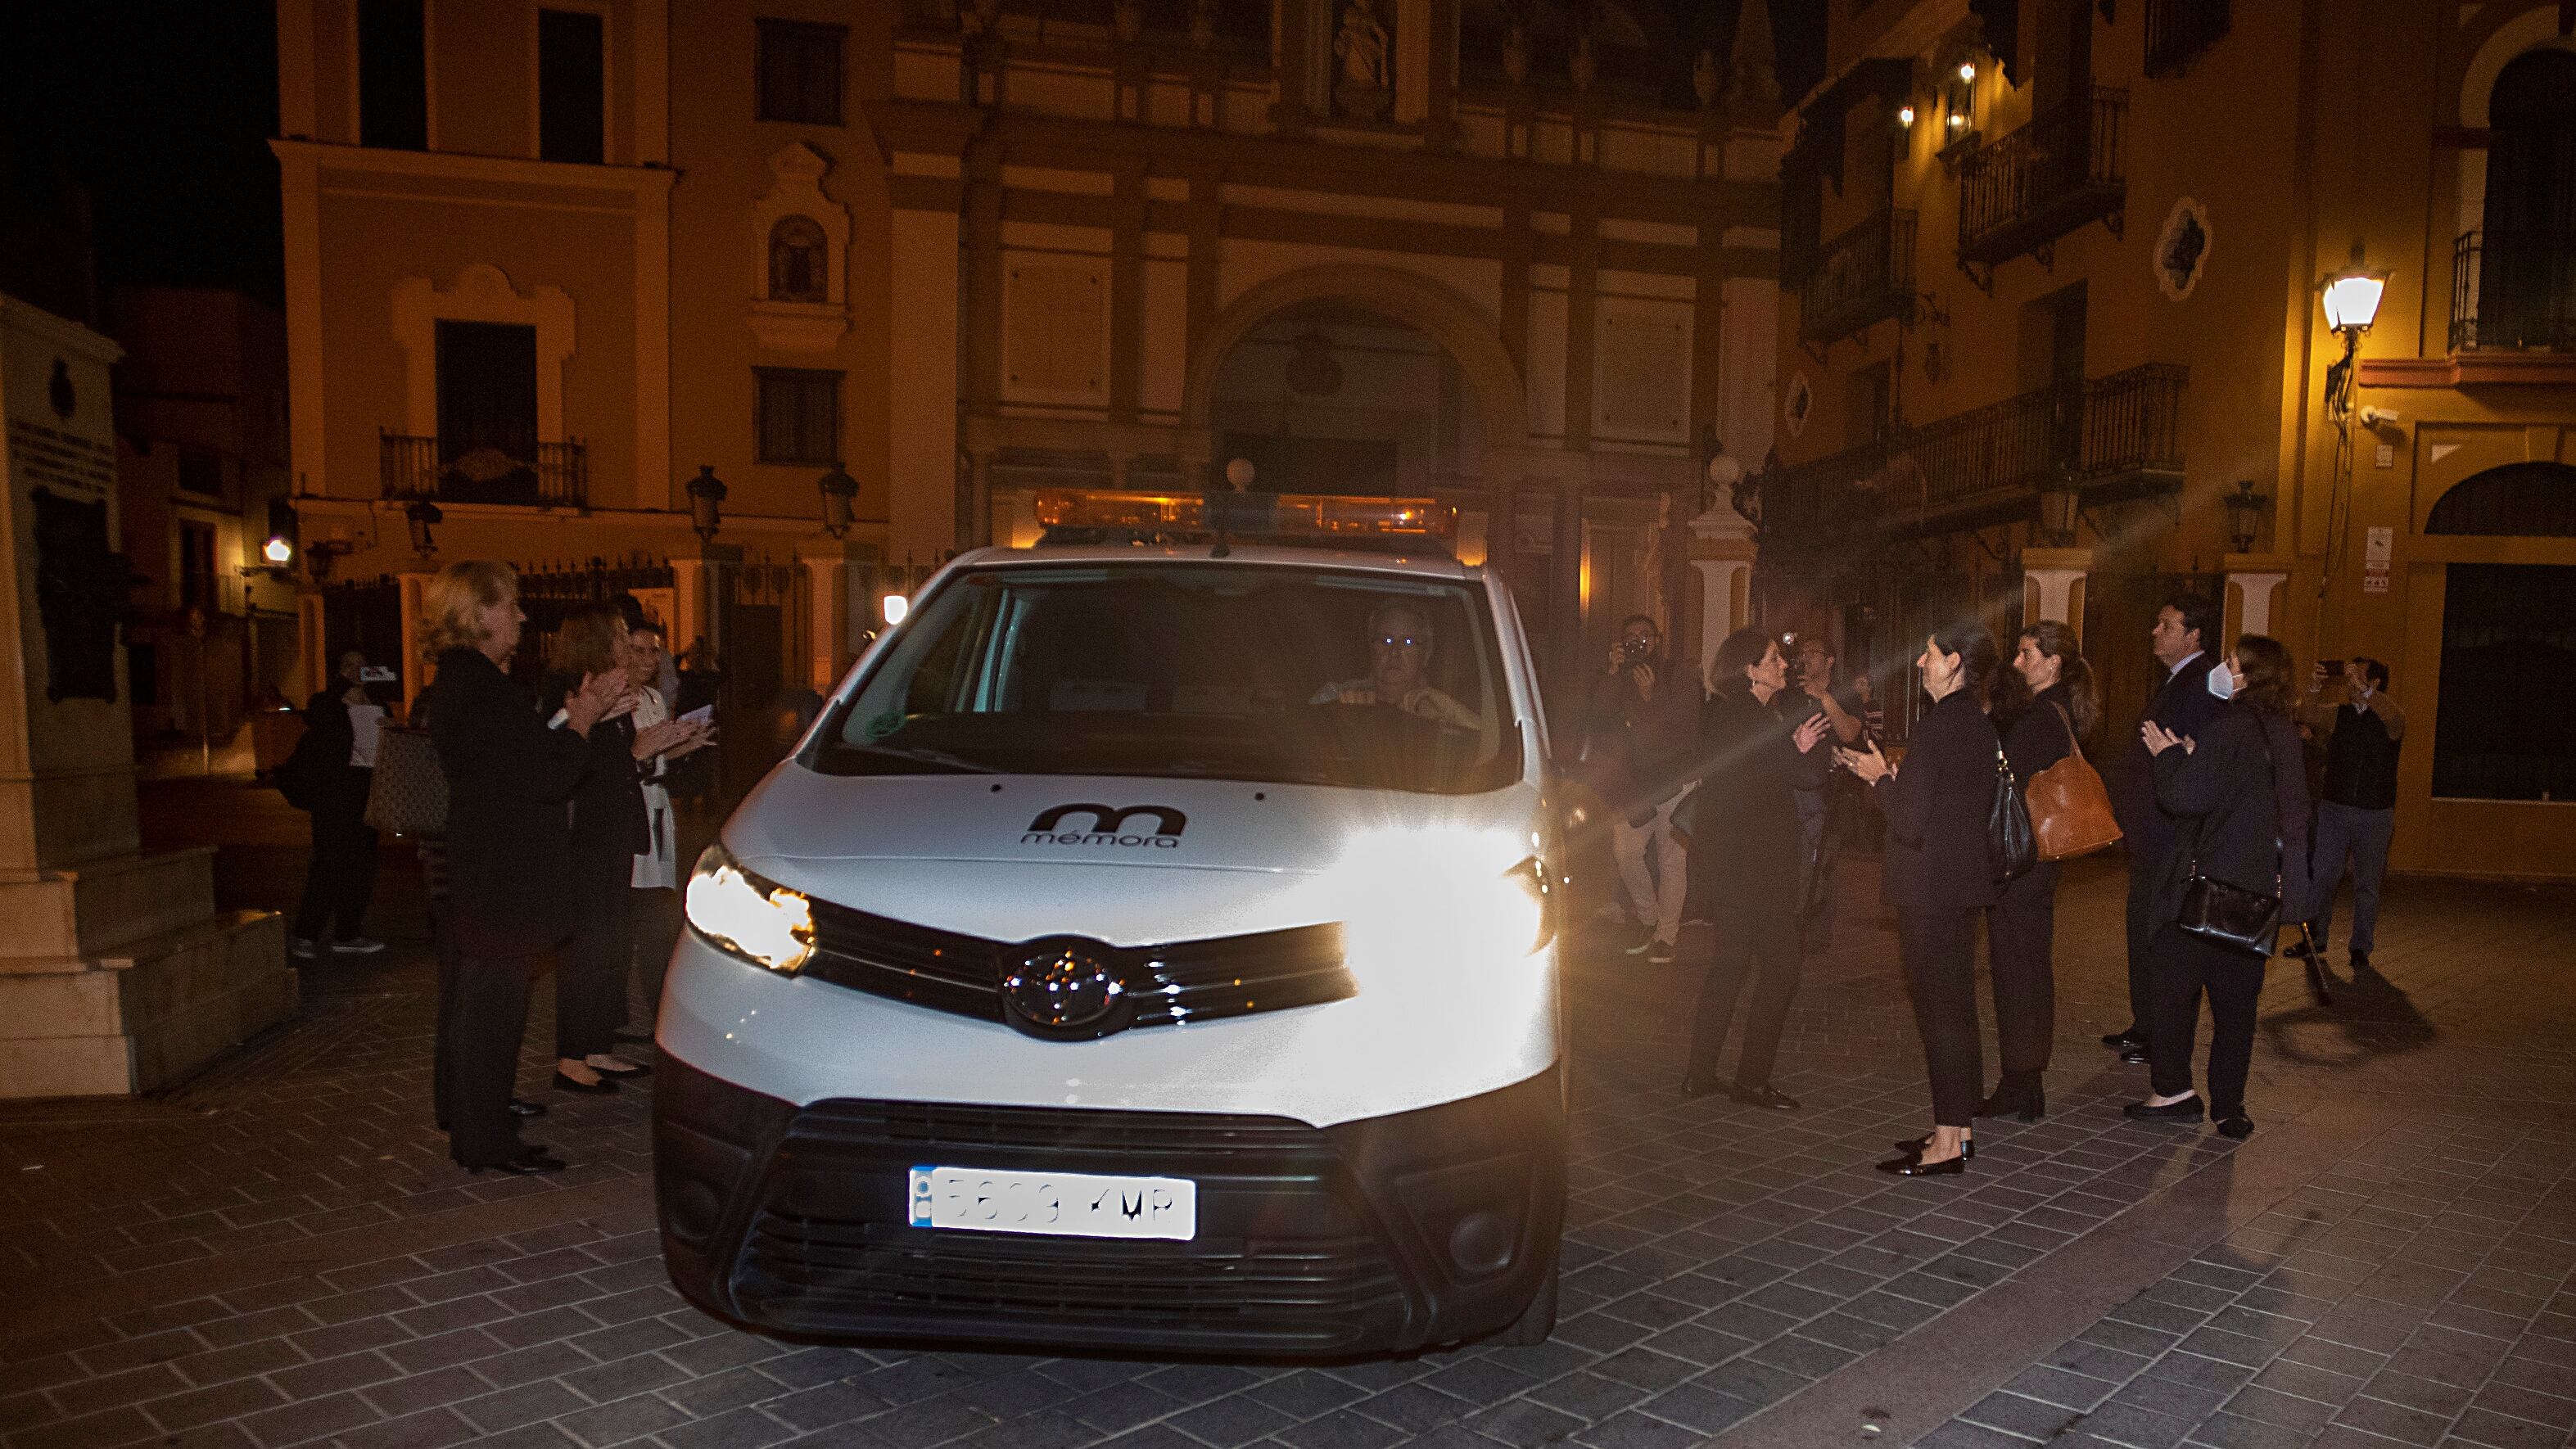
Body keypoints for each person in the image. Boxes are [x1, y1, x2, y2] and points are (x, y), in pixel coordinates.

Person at [424, 561, 622, 1175]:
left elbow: (517, 759)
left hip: (487, 864)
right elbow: (547, 776)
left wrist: (565, 722)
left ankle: (469, 1114)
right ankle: (485, 1138)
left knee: (474, 1000)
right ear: (480, 614)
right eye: (511, 606)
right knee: (491, 1009)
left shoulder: (466, 682)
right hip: (503, 872)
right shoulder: (478, 687)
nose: (522, 616)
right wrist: (583, 722)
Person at [2130, 634, 2311, 1140]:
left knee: (2172, 989)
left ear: (2249, 677)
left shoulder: (2230, 728)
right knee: (2236, 1009)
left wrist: (2170, 756)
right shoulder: (2282, 733)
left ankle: (2172, 1091)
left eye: (2232, 664)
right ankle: (2230, 1107)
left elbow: (2185, 796)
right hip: (2254, 895)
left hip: (2207, 890)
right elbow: (2286, 809)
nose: (2223, 670)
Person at [1840, 620, 2003, 1176]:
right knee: (1956, 1011)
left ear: (1955, 663)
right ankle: (1956, 1131)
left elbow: (1909, 821)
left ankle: (1946, 1143)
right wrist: (1893, 776)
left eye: (1929, 655)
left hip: (1930, 888)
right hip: (1959, 885)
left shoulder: (1939, 726)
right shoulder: (1975, 724)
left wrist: (1876, 779)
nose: (1919, 664)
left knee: (1940, 1015)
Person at [543, 604, 699, 1095]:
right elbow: (562, 754)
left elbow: (621, 760)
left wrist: (658, 746)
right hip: (585, 834)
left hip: (615, 828)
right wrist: (614, 735)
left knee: (612, 942)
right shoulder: (569, 688)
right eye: (617, 636)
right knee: (587, 946)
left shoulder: (614, 691)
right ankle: (570, 1056)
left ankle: (595, 1045)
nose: (625, 644)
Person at [1680, 629, 1833, 1104]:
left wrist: (1795, 748)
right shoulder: (1753, 718)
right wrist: (1802, 748)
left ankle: (1700, 1074)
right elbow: (1804, 775)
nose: (1784, 665)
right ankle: (1750, 1079)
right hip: (1757, 863)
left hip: (1735, 860)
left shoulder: (1734, 715)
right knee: (1781, 970)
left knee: (1729, 965)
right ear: (1750, 669)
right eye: (1773, 659)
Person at [1981, 621, 2099, 1122]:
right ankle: (2022, 1081)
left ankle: (2023, 1084)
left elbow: (2002, 773)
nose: (2017, 663)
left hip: (2023, 860)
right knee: (2022, 968)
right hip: (2034, 860)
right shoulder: (2053, 713)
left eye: (2027, 654)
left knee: (2019, 972)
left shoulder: (2041, 718)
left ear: (2053, 663)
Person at [2104, 593, 2226, 1064]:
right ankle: (2145, 1024)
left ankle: (2161, 1035)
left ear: (2194, 634)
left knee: (2161, 934)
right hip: (2152, 831)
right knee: (2143, 929)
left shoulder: (2205, 682)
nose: (2156, 632)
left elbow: (2196, 754)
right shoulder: (2177, 680)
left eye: (2166, 624)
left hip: (2172, 834)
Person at [1585, 616, 1702, 963]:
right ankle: (1648, 919)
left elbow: (1684, 727)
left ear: (1658, 640)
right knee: (1626, 852)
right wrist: (1611, 672)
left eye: (1644, 636)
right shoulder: (1619, 678)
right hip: (1633, 786)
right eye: (1630, 638)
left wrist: (1651, 697)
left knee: (1671, 860)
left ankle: (1667, 934)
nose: (1638, 643)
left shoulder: (1678, 674)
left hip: (1673, 781)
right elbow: (1599, 717)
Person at [618, 618, 710, 1042]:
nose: (647, 660)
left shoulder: (653, 697)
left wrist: (685, 744)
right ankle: (634, 1013)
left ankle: (658, 1009)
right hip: (632, 809)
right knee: (643, 916)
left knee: (658, 910)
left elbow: (657, 758)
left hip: (656, 807)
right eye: (637, 650)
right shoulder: (617, 700)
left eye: (653, 651)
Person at [2300, 657, 2403, 969]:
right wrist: (2315, 686)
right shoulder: (2340, 715)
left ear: (2375, 683)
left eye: (2358, 676)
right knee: (2323, 876)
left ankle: (2360, 947)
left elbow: (2396, 718)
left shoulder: (2389, 720)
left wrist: (2368, 694)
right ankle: (2316, 938)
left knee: (2367, 884)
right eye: (2349, 675)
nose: (2350, 682)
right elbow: (2307, 715)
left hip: (2375, 813)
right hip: (2335, 809)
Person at [290, 649, 387, 959]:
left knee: (360, 866)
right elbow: (316, 717)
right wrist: (342, 691)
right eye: (349, 666)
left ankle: (348, 933)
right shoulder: (328, 704)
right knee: (328, 863)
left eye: (362, 665)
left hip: (365, 794)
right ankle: (306, 933)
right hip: (333, 796)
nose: (356, 671)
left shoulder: (375, 703)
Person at [1783, 634, 1867, 952]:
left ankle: (1817, 929)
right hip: (1798, 786)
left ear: (1830, 660)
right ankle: (1796, 923)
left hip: (1832, 790)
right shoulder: (1791, 695)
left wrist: (1824, 696)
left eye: (1813, 653)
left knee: (1824, 857)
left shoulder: (1846, 692)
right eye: (1802, 652)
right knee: (1800, 854)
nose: (1805, 658)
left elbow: (1849, 732)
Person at [1312, 601, 1481, 729]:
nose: (1395, 651)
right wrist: (1345, 718)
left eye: (1408, 642)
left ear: (1426, 654)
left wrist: (1449, 713)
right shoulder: (1336, 696)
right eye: (1386, 640)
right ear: (1371, 647)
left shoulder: (1441, 707)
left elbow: (1489, 751)